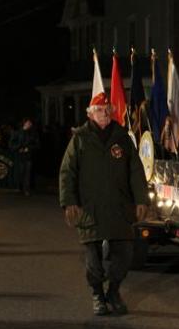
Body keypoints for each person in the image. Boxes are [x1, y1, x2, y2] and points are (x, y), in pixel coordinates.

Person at [59, 93, 149, 316]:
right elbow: (67, 172)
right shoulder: (79, 139)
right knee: (93, 261)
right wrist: (69, 202)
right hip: (90, 209)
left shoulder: (121, 137)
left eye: (108, 110)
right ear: (90, 114)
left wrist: (141, 200)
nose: (105, 113)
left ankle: (114, 291)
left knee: (125, 255)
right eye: (100, 110)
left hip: (119, 208)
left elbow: (136, 171)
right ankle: (98, 294)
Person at [9, 117, 41, 196]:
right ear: (24, 123)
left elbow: (37, 145)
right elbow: (11, 144)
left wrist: (29, 148)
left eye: (30, 123)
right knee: (20, 172)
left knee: (27, 173)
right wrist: (19, 148)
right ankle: (18, 187)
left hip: (28, 156)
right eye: (28, 123)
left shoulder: (33, 133)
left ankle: (26, 189)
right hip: (19, 156)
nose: (30, 124)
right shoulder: (17, 133)